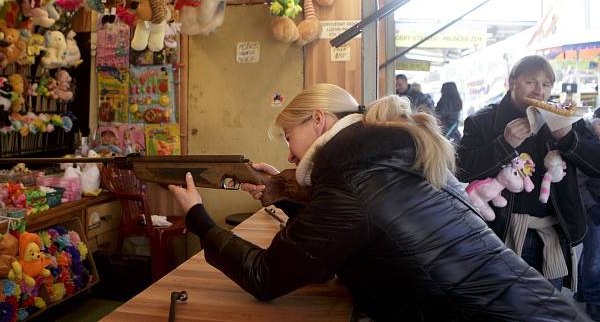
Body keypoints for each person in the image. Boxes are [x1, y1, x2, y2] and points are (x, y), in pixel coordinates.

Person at [168, 84, 585, 321]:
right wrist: (281, 192)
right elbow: (361, 228)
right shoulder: (379, 155)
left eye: (287, 137)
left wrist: (198, 217)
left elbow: (265, 277)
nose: (289, 152)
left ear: (318, 120)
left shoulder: (351, 179)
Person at [458, 55, 600, 290]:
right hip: (500, 234)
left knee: (547, 308)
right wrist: (503, 144)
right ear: (512, 81)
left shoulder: (564, 120)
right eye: (531, 82)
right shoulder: (481, 122)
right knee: (504, 305)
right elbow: (461, 169)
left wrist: (569, 140)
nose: (539, 91)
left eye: (546, 85)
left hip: (551, 236)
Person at [578, 117, 600, 321]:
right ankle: (593, 300)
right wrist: (592, 207)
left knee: (591, 252)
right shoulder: (586, 144)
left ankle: (583, 291)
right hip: (592, 208)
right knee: (594, 258)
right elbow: (579, 182)